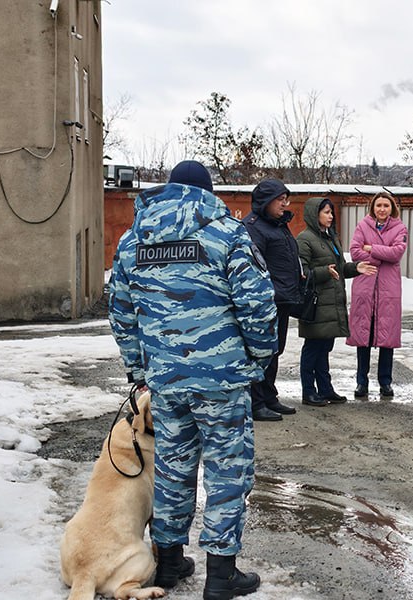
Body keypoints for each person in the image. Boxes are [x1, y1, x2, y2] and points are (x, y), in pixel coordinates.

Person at [108, 160, 277, 598]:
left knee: (171, 468)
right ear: (208, 191)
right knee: (226, 472)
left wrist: (140, 368)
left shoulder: (133, 241)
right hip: (221, 380)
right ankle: (221, 576)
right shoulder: (227, 234)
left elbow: (121, 312)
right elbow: (258, 306)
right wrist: (258, 359)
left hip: (164, 380)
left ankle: (168, 564)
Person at [296, 197, 377, 405]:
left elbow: (339, 268)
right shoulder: (304, 239)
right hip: (315, 306)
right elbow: (301, 272)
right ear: (315, 215)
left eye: (331, 212)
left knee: (325, 349)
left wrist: (354, 268)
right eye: (326, 212)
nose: (331, 216)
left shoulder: (331, 238)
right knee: (312, 349)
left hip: (332, 304)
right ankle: (308, 391)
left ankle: (325, 388)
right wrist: (324, 272)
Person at [243, 179, 301, 422]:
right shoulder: (254, 227)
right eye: (280, 199)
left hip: (282, 299)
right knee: (261, 351)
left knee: (275, 350)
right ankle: (256, 402)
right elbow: (255, 267)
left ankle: (269, 396)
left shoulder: (278, 225)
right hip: (266, 302)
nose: (284, 204)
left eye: (285, 199)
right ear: (266, 201)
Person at [347, 191, 408, 397]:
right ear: (373, 207)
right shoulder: (363, 225)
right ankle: (361, 381)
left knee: (386, 336)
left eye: (386, 206)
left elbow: (397, 252)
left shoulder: (399, 227)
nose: (382, 209)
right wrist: (381, 255)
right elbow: (355, 251)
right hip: (365, 286)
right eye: (379, 205)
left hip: (388, 288)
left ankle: (385, 381)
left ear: (392, 208)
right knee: (364, 334)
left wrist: (372, 248)